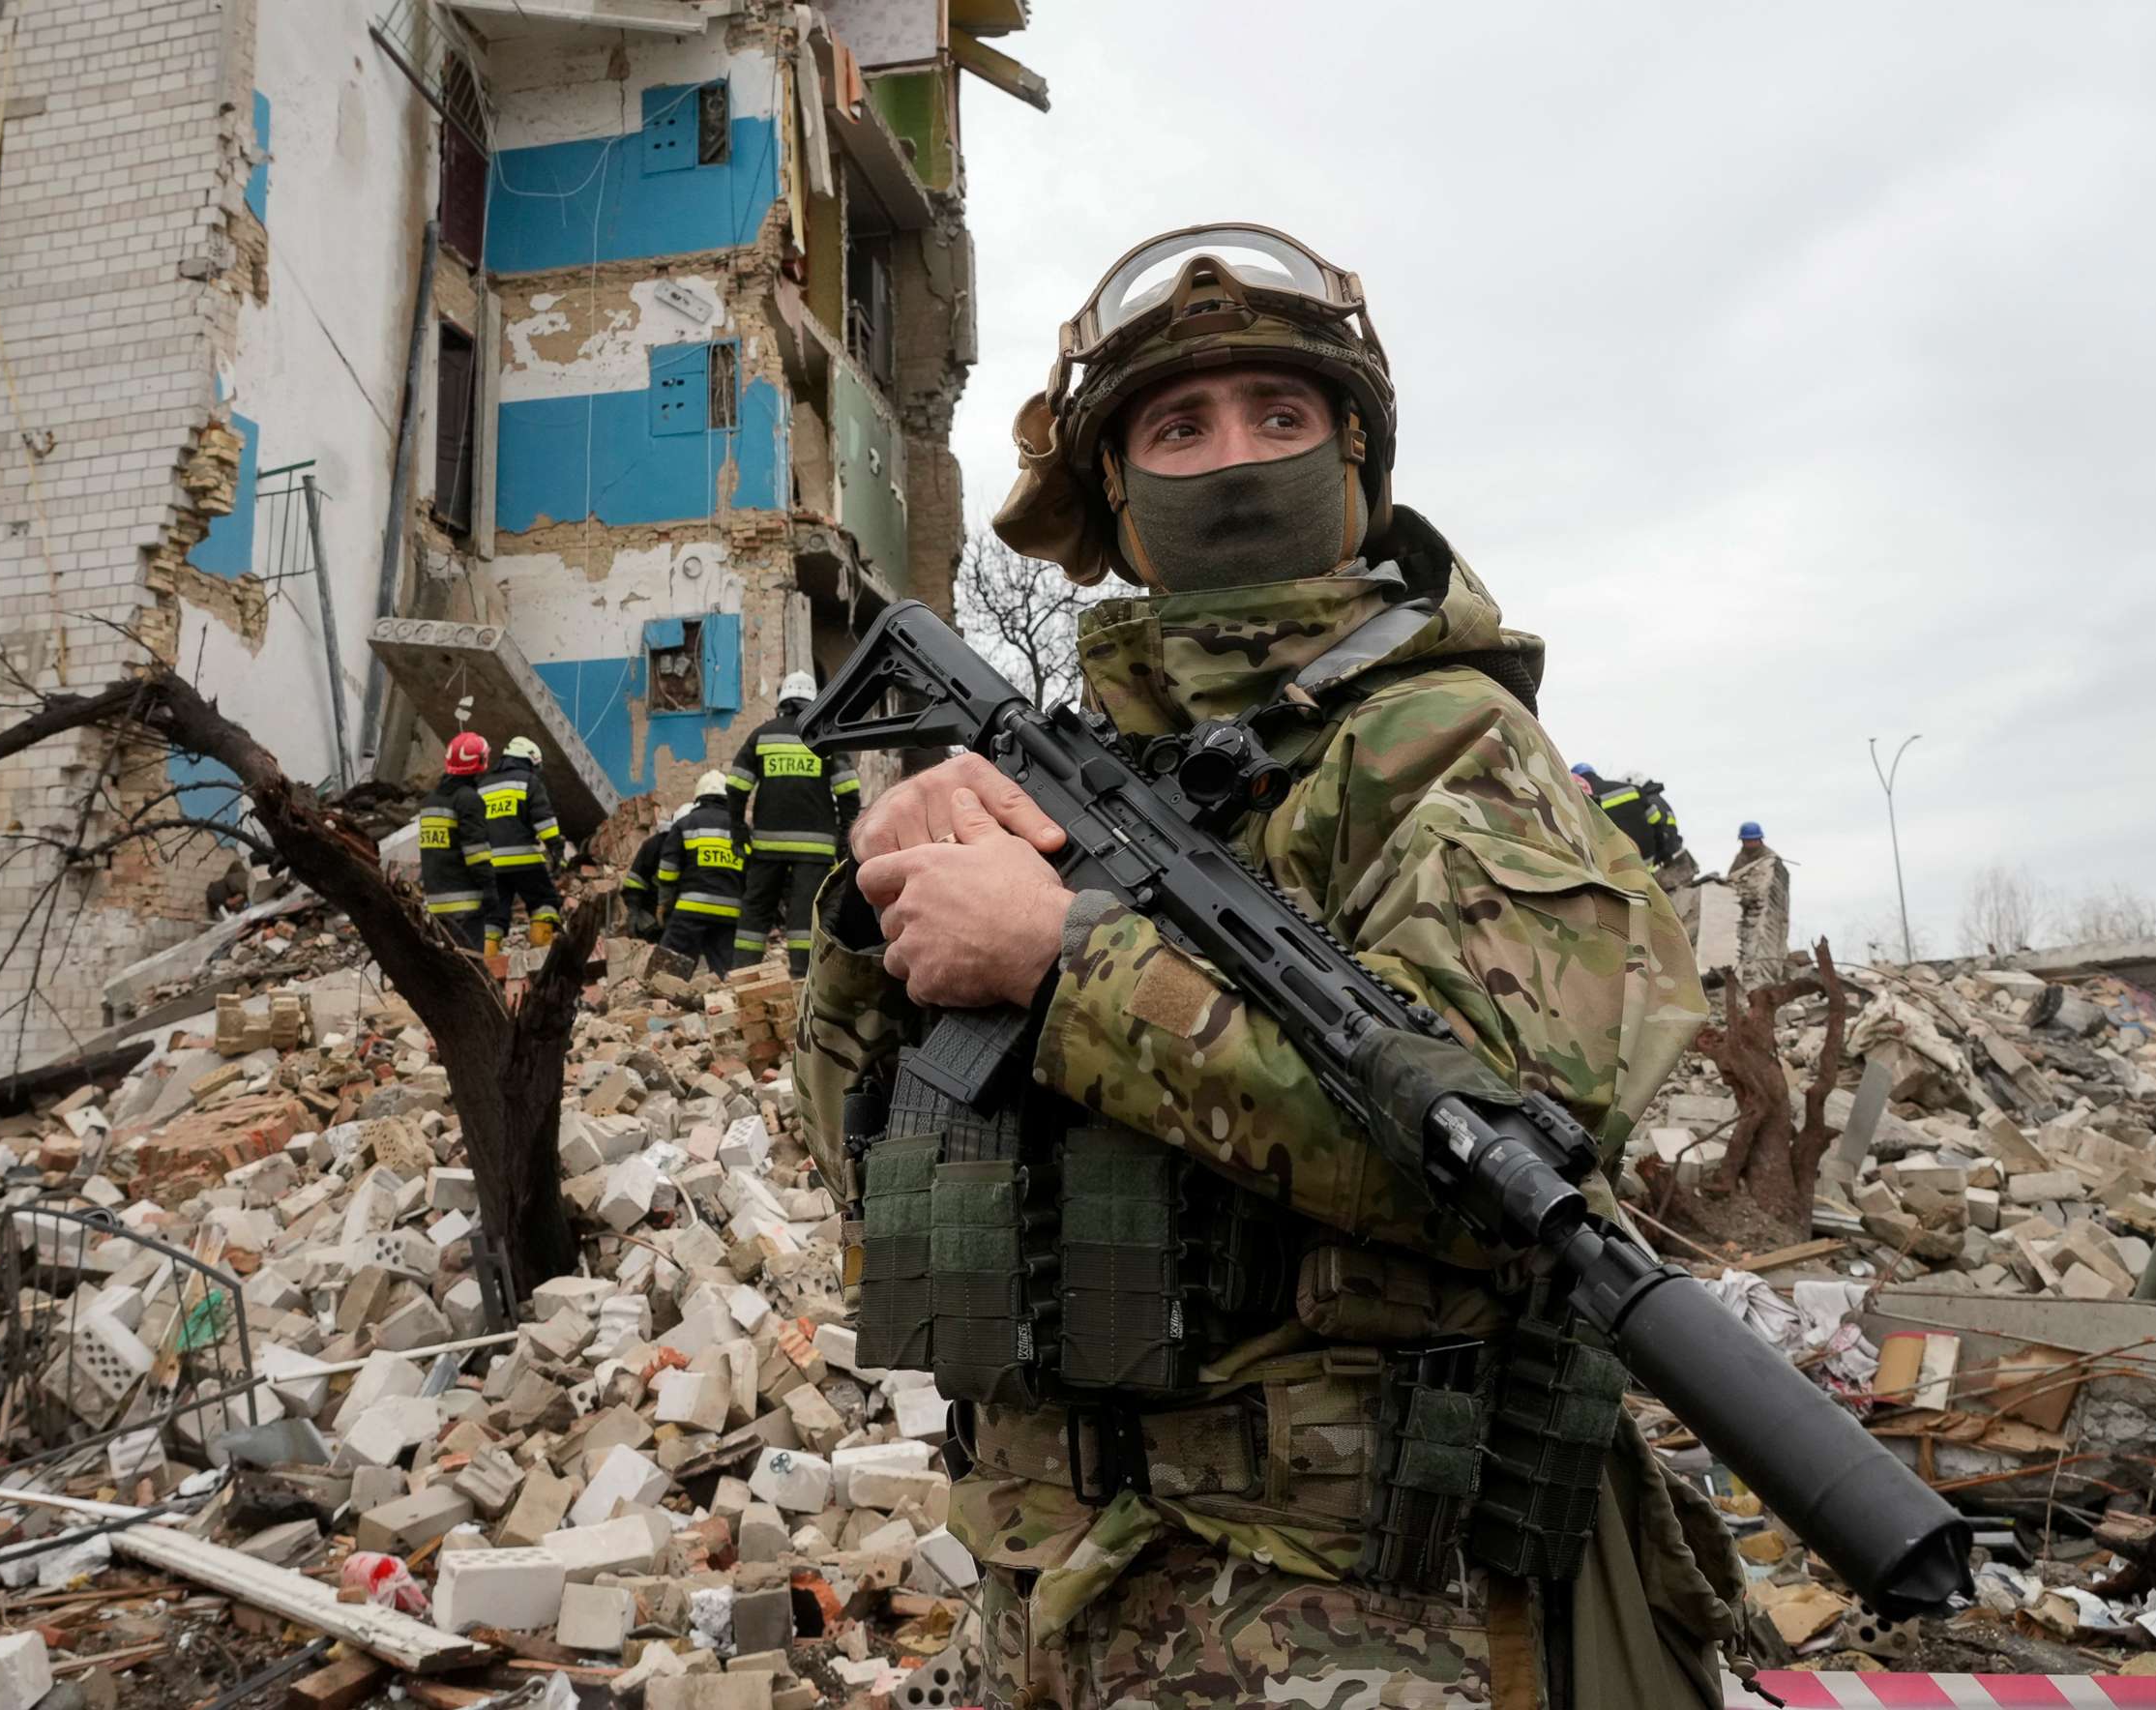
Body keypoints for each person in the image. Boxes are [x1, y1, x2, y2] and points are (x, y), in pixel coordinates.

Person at [795, 225, 1740, 1708]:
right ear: (1112, 489)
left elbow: (1509, 1169)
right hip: (1044, 1579)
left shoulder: (1448, 748)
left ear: (1356, 458)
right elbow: (868, 1167)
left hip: (1338, 1616)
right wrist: (877, 919)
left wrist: (1066, 968)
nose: (1232, 458)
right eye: (1178, 425)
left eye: (1280, 416)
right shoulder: (1072, 769)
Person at [727, 670, 860, 976]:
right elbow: (849, 792)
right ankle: (802, 977)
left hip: (766, 845)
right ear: (814, 701)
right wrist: (844, 837)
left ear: (782, 699)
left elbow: (736, 785)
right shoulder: (825, 738)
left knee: (756, 910)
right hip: (814, 848)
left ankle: (742, 975)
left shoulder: (762, 735)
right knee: (803, 916)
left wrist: (737, 828)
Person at [653, 769, 746, 975]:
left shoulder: (685, 825)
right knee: (729, 976)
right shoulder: (741, 829)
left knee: (667, 972)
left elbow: (668, 870)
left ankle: (659, 1005)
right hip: (730, 914)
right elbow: (753, 874)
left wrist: (664, 904)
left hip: (691, 911)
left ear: (698, 797)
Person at [415, 734, 499, 961]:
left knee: (449, 967)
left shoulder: (431, 801)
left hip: (437, 904)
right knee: (470, 967)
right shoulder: (468, 800)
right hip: (466, 905)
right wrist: (490, 889)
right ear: (480, 762)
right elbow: (476, 851)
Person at [479, 735, 565, 956]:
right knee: (544, 901)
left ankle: (487, 962)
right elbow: (544, 820)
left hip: (490, 864)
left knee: (494, 914)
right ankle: (542, 949)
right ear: (529, 760)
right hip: (524, 860)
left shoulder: (484, 785)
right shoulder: (528, 781)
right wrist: (556, 849)